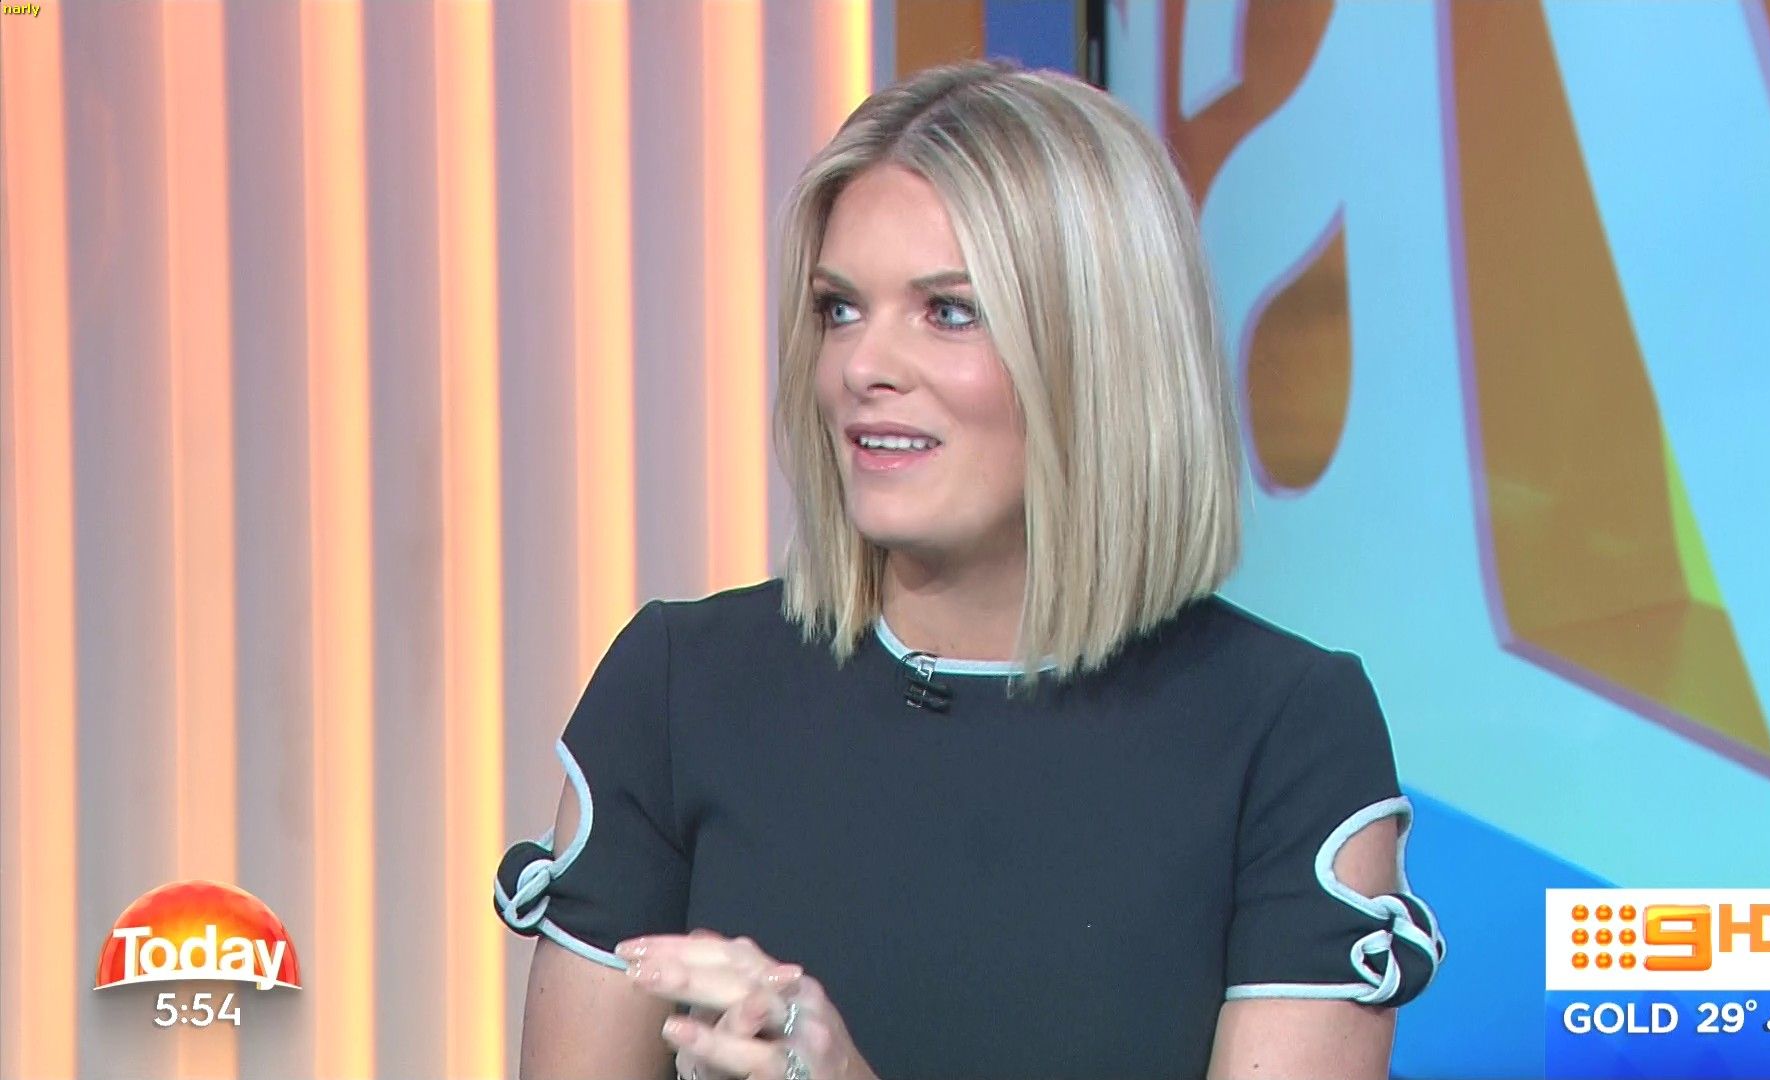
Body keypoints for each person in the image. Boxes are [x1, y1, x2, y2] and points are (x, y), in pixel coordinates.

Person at [494, 59, 1443, 1080]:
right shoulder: (680, 690)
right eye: (839, 309)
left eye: (948, 311)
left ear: (1100, 353)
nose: (862, 367)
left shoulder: (1285, 732)